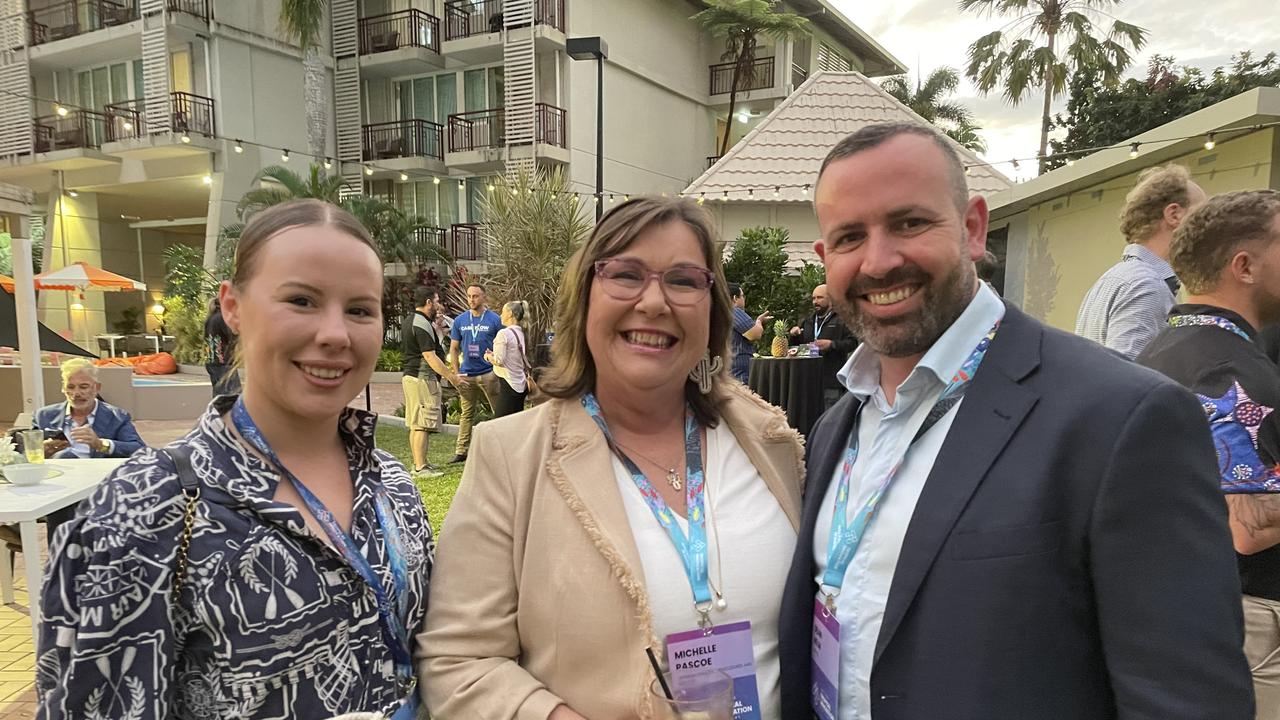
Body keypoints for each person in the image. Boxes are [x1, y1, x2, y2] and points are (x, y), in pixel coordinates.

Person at [777, 122, 1253, 720]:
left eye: (909, 223)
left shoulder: (1124, 419)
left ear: (973, 228)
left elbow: (1186, 702)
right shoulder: (836, 427)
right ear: (825, 259)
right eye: (849, 237)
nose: (879, 261)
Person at [38, 199, 434, 720]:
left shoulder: (395, 487)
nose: (336, 333)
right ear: (233, 308)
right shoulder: (138, 511)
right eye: (301, 300)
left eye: (360, 309)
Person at [420, 196, 805, 719]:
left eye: (684, 280)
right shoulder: (511, 457)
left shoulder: (772, 439)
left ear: (712, 310)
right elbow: (459, 660)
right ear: (584, 300)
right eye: (625, 274)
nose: (654, 302)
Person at [1136, 190, 1280, 717]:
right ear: (1243, 266)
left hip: (1180, 603)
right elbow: (1251, 526)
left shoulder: (1162, 350)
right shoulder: (1232, 374)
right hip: (1252, 619)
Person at [1075, 164, 1207, 359]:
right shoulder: (1147, 287)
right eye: (1202, 214)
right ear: (1174, 215)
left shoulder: (1113, 279)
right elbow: (1127, 382)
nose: (1208, 225)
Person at [34, 358, 144, 460]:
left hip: (98, 475)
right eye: (70, 387)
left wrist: (101, 444)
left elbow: (140, 449)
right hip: (58, 474)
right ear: (63, 388)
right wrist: (41, 452)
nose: (76, 393)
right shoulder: (44, 416)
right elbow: (23, 452)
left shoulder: (117, 417)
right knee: (64, 456)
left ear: (97, 388)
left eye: (83, 387)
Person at [401, 286, 458, 478]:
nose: (438, 305)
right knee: (420, 424)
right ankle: (419, 467)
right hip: (421, 379)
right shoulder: (420, 323)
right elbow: (430, 356)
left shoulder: (414, 320)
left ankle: (421, 462)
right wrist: (452, 377)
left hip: (416, 378)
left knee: (418, 423)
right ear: (428, 302)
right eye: (436, 301)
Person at [447, 283, 501, 463]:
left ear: (484, 297)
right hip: (466, 375)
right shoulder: (460, 320)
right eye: (469, 296)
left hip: (488, 373)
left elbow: (503, 346)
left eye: (476, 296)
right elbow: (454, 348)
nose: (472, 299)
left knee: (498, 411)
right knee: (466, 413)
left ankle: (502, 447)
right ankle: (461, 451)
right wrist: (456, 373)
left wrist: (497, 369)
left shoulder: (495, 319)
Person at [788, 284, 858, 407]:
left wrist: (831, 345)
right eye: (813, 298)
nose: (815, 302)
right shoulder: (808, 321)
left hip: (831, 381)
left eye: (819, 298)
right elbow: (797, 347)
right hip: (808, 381)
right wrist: (794, 336)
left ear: (830, 299)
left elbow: (852, 343)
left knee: (830, 420)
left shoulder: (842, 319)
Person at [485, 300, 532, 417]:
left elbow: (499, 361)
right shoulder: (521, 332)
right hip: (521, 384)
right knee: (515, 423)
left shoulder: (503, 334)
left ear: (510, 313)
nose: (500, 315)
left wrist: (488, 356)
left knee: (500, 423)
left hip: (509, 383)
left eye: (503, 312)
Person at [728, 283, 771, 383]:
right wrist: (759, 322)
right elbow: (755, 334)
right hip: (739, 373)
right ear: (735, 298)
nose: (744, 299)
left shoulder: (720, 313)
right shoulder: (735, 312)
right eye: (742, 296)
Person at [204, 298, 240, 396]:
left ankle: (217, 411)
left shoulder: (210, 318)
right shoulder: (222, 319)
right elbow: (232, 336)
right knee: (232, 395)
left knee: (219, 395)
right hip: (224, 360)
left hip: (211, 360)